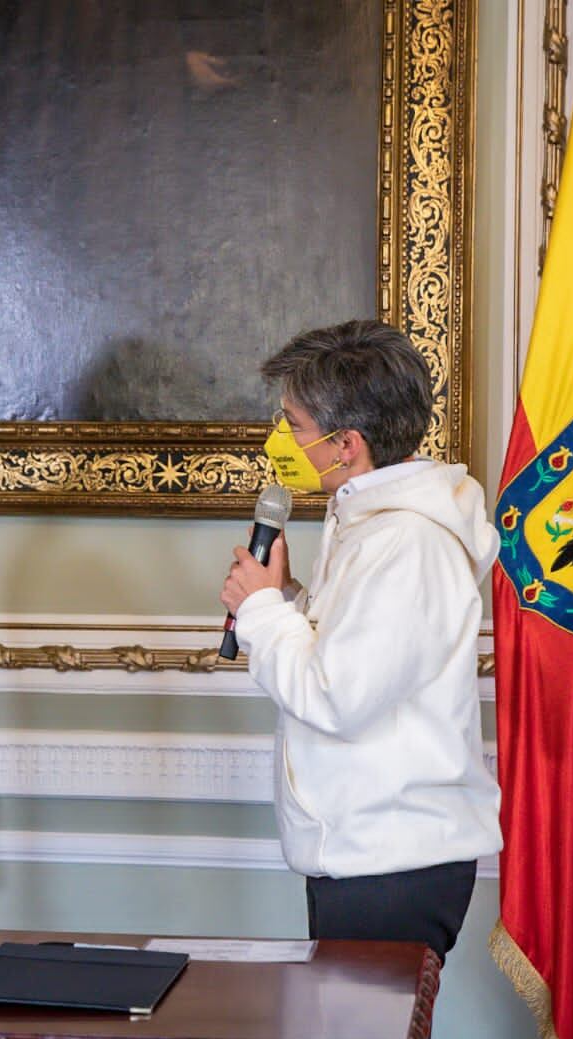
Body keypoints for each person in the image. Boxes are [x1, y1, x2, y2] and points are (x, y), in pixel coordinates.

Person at [220, 319, 501, 959]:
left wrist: (262, 611)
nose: (279, 441)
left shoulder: (407, 542)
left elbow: (338, 697)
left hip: (391, 859)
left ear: (345, 444)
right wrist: (287, 599)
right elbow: (358, 659)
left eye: (292, 425)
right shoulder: (373, 526)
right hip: (368, 851)